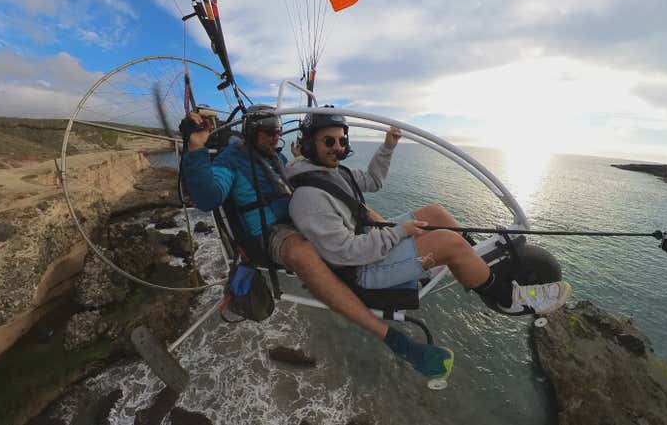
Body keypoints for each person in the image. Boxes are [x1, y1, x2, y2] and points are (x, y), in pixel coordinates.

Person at [180, 105, 454, 383]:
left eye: (277, 132)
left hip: (295, 216)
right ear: (251, 132)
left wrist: (310, 163)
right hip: (270, 232)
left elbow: (295, 180)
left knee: (357, 208)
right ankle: (393, 338)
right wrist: (195, 148)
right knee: (303, 252)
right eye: (268, 133)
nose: (276, 138)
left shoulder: (275, 155)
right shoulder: (231, 161)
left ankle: (400, 260)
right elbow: (207, 197)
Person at [287, 112, 573, 347]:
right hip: (362, 270)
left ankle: (477, 266)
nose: (338, 147)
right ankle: (507, 299)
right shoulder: (309, 197)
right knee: (448, 242)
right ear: (310, 144)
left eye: (341, 139)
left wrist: (389, 145)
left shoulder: (335, 173)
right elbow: (344, 253)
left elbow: (373, 180)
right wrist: (398, 232)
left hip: (368, 243)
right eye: (329, 141)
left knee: (436, 212)